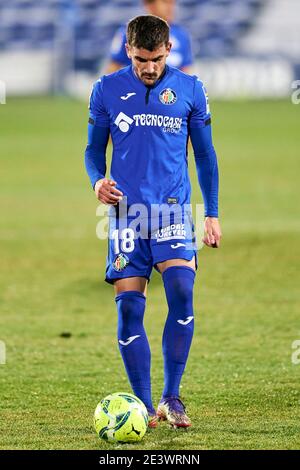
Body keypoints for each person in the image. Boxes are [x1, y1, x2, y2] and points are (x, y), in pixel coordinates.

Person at [85, 14, 221, 428]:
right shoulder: (105, 90)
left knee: (181, 288)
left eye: (157, 59)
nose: (149, 68)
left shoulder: (190, 89)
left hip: (174, 210)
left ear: (168, 52)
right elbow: (93, 151)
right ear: (128, 50)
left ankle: (171, 397)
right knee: (129, 308)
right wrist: (97, 182)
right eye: (142, 59)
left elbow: (205, 155)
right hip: (127, 214)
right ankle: (143, 406)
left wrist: (211, 212)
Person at [106, 0, 193, 74]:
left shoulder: (182, 35)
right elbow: (114, 68)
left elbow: (186, 71)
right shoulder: (130, 32)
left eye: (172, 2)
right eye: (165, 2)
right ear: (150, 5)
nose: (170, 7)